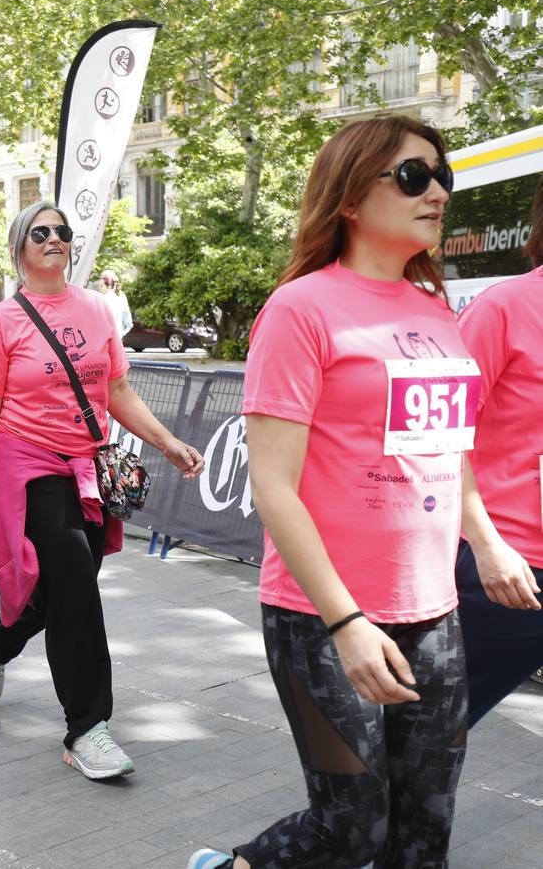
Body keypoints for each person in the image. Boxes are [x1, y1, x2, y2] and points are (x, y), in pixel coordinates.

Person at [189, 115, 502, 869]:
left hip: (435, 612)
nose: (437, 193)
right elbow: (273, 487)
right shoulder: (300, 311)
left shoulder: (437, 311)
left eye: (442, 177)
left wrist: (487, 543)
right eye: (414, 176)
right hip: (322, 618)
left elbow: (450, 446)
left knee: (424, 830)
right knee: (351, 825)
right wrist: (347, 622)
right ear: (351, 196)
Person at [0, 201, 203, 781]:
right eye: (40, 232)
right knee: (74, 580)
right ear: (19, 247)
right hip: (26, 462)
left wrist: (167, 441)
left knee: (71, 579)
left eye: (62, 232)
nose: (54, 239)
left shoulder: (96, 308)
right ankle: (87, 728)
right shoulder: (1, 320)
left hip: (87, 461)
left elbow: (117, 390)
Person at [453, 177, 543, 727]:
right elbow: (440, 442)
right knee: (418, 746)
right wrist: (487, 547)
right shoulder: (502, 309)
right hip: (509, 571)